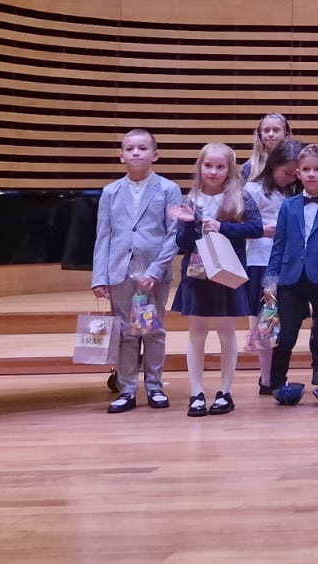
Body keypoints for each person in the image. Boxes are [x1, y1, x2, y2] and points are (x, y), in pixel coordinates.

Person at [93, 129, 182, 414]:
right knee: (126, 333)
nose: (135, 153)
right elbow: (103, 236)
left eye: (142, 148)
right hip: (120, 272)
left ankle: (155, 386)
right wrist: (99, 277)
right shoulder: (110, 192)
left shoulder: (168, 189)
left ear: (155, 155)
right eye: (129, 148)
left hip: (152, 275)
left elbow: (173, 234)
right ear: (121, 156)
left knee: (152, 330)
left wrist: (155, 270)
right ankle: (127, 389)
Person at [172, 143, 263, 417]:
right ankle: (196, 392)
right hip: (196, 274)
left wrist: (223, 227)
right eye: (208, 165)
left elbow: (256, 228)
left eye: (220, 167)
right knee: (197, 332)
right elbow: (182, 243)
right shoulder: (190, 200)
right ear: (200, 167)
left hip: (227, 271)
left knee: (226, 332)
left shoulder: (240, 197)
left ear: (229, 170)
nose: (213, 171)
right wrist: (189, 223)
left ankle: (225, 391)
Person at [263, 143, 318, 406]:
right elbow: (279, 245)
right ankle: (276, 381)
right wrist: (271, 280)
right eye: (306, 169)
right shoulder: (288, 206)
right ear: (298, 173)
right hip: (291, 276)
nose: (311, 174)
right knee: (286, 333)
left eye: (317, 169)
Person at [244, 140, 300, 394]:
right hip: (261, 262)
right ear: (274, 164)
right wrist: (261, 231)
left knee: (284, 323)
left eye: (295, 174)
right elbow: (237, 226)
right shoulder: (253, 190)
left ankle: (276, 376)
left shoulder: (296, 193)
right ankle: (266, 379)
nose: (290, 178)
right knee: (265, 322)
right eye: (286, 172)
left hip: (289, 263)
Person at [240, 113, 292, 180]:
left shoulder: (295, 164)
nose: (271, 134)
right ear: (260, 134)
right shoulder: (249, 167)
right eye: (266, 130)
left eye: (276, 130)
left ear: (286, 133)